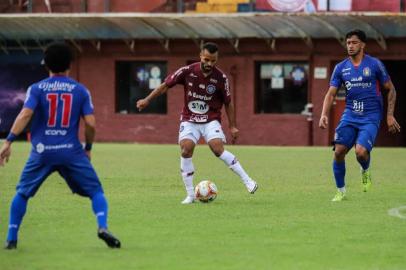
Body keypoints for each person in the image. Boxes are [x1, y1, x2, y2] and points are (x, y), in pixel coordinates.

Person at [0, 42, 121, 249]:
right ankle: (102, 226)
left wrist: (8, 140)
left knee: (22, 193)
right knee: (96, 191)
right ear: (69, 66)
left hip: (41, 152)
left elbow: (25, 114)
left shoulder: (36, 89)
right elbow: (90, 123)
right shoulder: (81, 90)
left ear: (46, 65)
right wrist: (88, 148)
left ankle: (11, 237)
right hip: (71, 152)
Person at [136, 42, 258, 204]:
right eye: (206, 59)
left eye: (213, 61)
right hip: (189, 119)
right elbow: (165, 85)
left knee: (217, 148)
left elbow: (228, 102)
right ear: (201, 56)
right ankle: (190, 195)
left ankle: (248, 180)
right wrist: (147, 100)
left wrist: (232, 126)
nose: (209, 64)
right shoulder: (187, 71)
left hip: (211, 120)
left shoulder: (221, 78)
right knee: (186, 149)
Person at [319, 29, 401, 202]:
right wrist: (324, 114)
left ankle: (365, 170)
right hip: (350, 115)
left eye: (354, 42)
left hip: (371, 116)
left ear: (363, 45)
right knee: (339, 151)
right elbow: (331, 94)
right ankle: (341, 191)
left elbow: (390, 88)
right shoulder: (341, 68)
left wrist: (390, 115)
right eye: (348, 43)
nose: (350, 46)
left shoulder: (374, 65)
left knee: (361, 152)